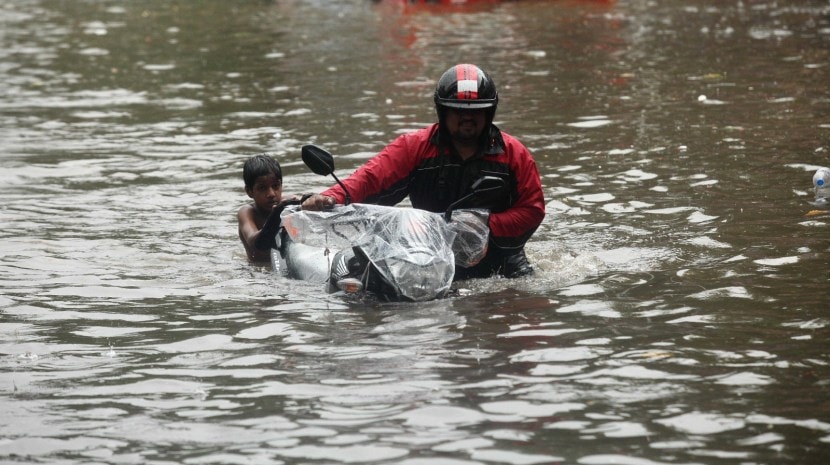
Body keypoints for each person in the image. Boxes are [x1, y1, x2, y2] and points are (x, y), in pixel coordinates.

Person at [302, 63, 545, 278]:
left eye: (476, 111)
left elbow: (533, 211)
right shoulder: (415, 147)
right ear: (443, 111)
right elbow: (370, 179)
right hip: (428, 255)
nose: (468, 118)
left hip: (501, 261)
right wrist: (329, 197)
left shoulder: (515, 154)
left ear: (489, 113)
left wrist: (482, 224)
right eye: (458, 111)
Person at [237, 154, 295, 262]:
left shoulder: (288, 203)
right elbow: (252, 240)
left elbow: (309, 203)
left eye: (275, 186)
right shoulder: (247, 212)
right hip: (257, 269)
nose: (271, 194)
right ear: (249, 191)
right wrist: (275, 218)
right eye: (262, 188)